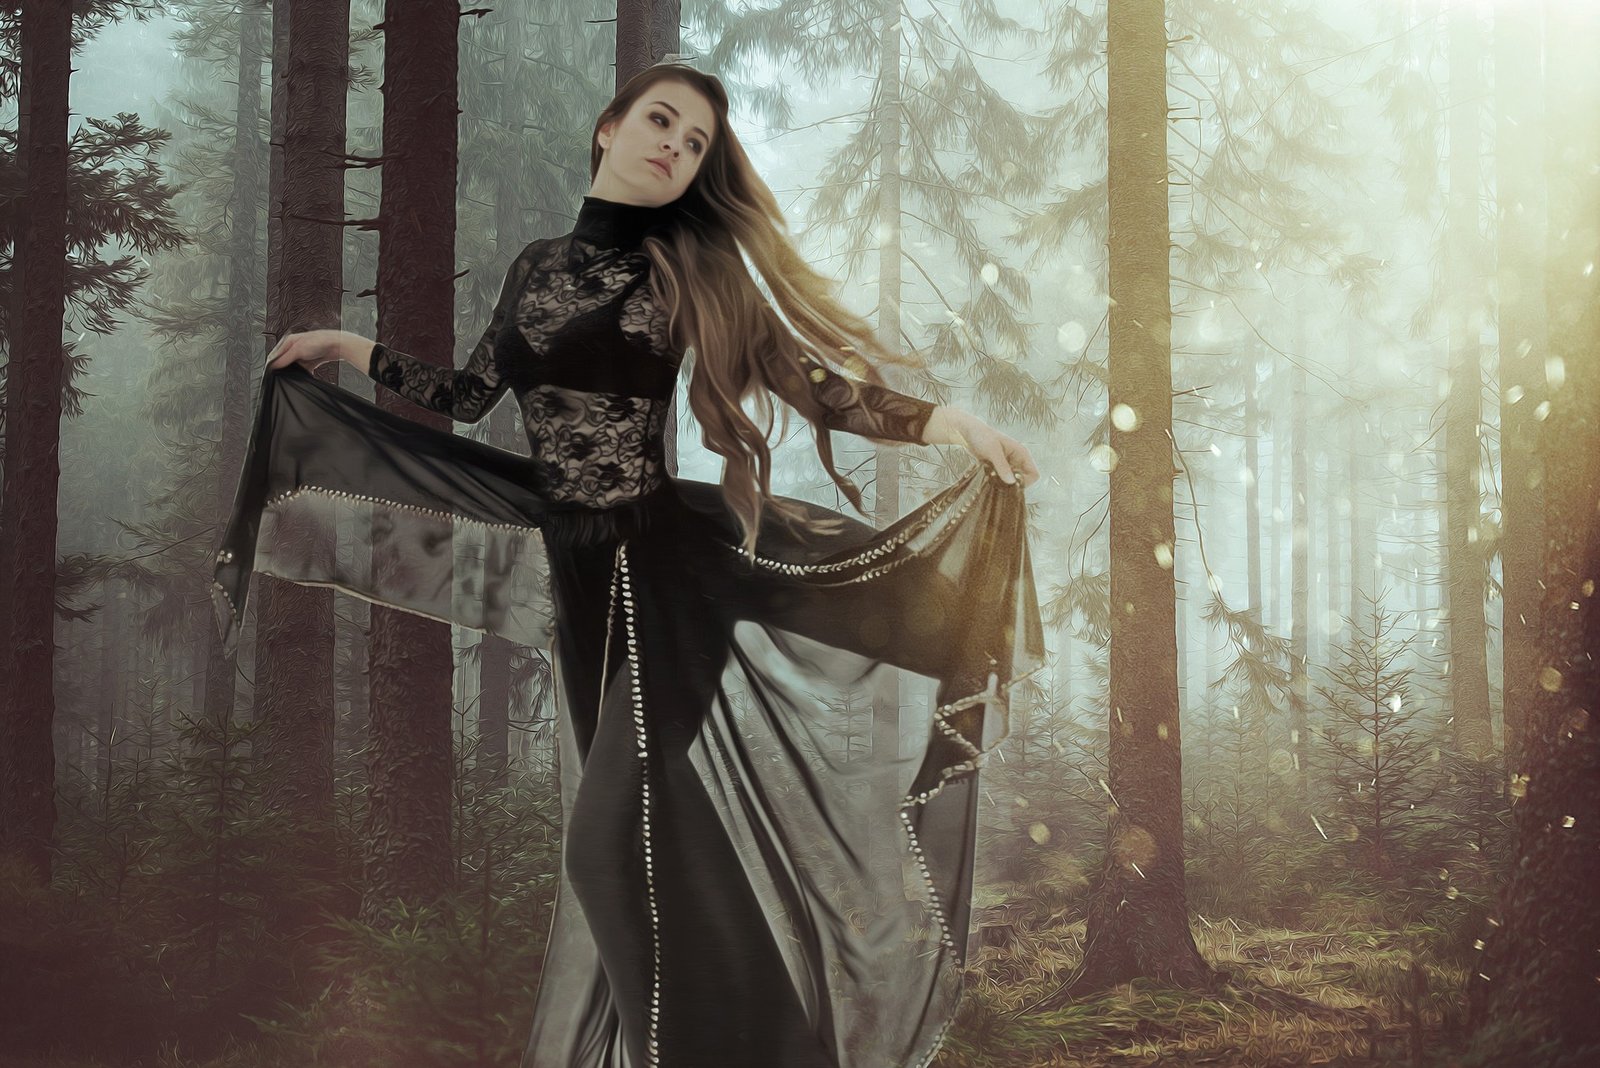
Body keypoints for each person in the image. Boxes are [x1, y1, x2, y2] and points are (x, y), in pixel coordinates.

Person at [215, 61, 1044, 1068]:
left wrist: (948, 423)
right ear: (609, 129)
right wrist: (351, 348)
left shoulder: (686, 271)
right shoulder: (534, 266)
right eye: (661, 122)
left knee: (605, 849)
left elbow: (813, 384)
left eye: (694, 144)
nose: (674, 148)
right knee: (666, 841)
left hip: (662, 579)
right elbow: (472, 394)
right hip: (576, 578)